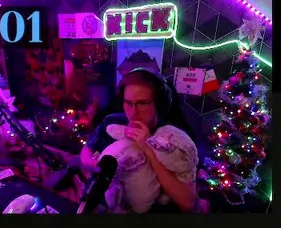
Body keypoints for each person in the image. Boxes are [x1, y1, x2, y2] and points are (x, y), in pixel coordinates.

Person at [77, 68, 199, 213]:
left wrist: (148, 149)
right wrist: (103, 171)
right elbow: (86, 153)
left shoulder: (172, 137)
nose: (133, 112)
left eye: (142, 103)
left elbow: (188, 202)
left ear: (159, 104)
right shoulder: (111, 122)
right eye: (128, 103)